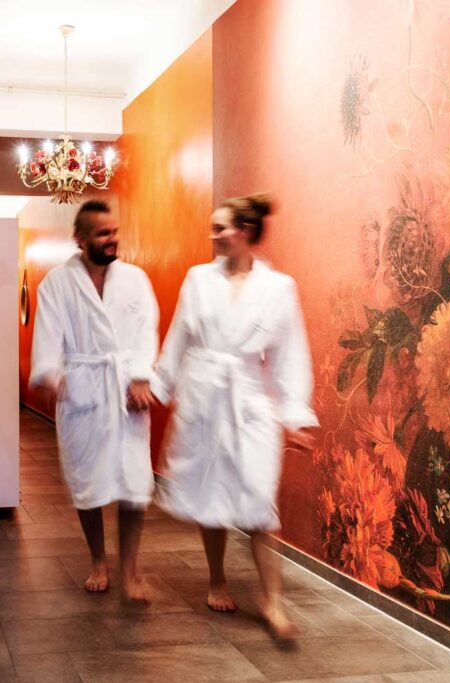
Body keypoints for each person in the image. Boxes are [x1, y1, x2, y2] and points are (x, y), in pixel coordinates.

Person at [152, 193, 318, 638]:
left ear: (244, 232)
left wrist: (295, 414)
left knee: (261, 503)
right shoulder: (197, 279)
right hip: (205, 398)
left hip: (250, 403)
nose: (214, 236)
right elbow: (179, 338)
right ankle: (217, 579)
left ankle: (272, 602)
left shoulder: (279, 288)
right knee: (212, 496)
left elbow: (290, 354)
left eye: (220, 228)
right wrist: (160, 386)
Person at [29, 199, 158, 601]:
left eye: (114, 232)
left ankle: (130, 571)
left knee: (134, 484)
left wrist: (141, 375)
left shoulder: (135, 280)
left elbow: (146, 330)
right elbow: (48, 335)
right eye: (103, 233)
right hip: (83, 390)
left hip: (125, 391)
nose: (112, 239)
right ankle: (98, 560)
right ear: (80, 238)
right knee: (87, 482)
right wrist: (50, 373)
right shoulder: (56, 283)